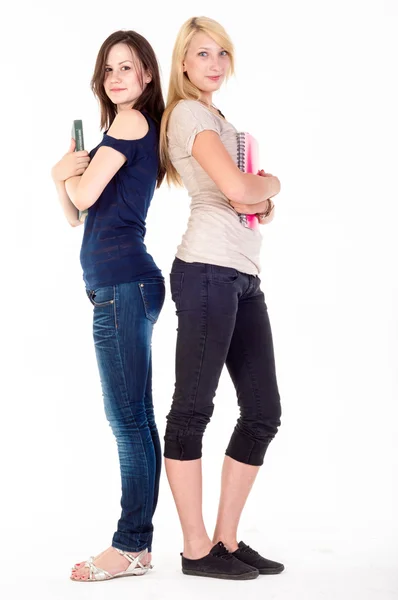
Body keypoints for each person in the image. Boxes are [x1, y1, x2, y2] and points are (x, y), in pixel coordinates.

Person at [160, 16, 283, 580]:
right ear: (183, 63)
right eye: (202, 54)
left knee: (262, 412)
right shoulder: (187, 114)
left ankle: (226, 541)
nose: (213, 64)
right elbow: (241, 190)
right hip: (207, 268)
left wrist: (256, 197)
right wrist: (271, 185)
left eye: (221, 55)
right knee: (193, 409)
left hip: (241, 273)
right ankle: (194, 548)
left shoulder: (218, 118)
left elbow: (245, 197)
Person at [51, 30, 165, 582]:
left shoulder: (130, 122)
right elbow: (76, 216)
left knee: (128, 422)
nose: (117, 77)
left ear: (147, 76)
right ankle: (138, 545)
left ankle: (130, 545)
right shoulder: (117, 130)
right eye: (109, 69)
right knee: (136, 419)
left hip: (123, 284)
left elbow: (85, 196)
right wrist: (63, 180)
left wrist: (65, 176)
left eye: (129, 67)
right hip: (120, 285)